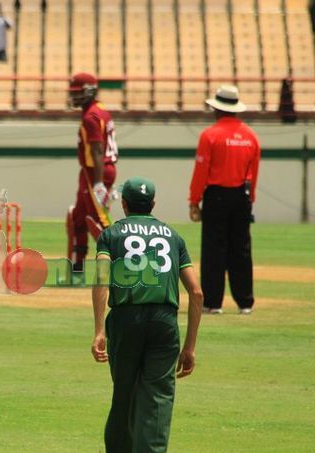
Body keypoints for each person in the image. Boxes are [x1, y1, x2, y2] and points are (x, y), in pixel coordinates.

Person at [91, 177, 203, 453]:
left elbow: (101, 281)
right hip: (164, 323)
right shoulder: (174, 237)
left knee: (124, 393)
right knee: (158, 398)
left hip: (125, 320)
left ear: (124, 204)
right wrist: (189, 346)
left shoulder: (111, 235)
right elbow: (197, 293)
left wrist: (99, 331)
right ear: (153, 204)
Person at [188, 85, 261, 315]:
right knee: (241, 249)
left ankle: (213, 303)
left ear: (217, 109)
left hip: (216, 196)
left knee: (213, 249)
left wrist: (194, 200)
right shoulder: (251, 136)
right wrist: (251, 198)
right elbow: (254, 172)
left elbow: (201, 170)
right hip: (242, 196)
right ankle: (245, 302)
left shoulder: (210, 135)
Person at [66, 72, 119, 275]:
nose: (75, 97)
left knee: (100, 221)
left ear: (89, 91)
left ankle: (121, 267)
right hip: (95, 171)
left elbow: (97, 149)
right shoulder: (100, 109)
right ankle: (78, 266)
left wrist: (98, 183)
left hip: (95, 171)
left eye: (78, 93)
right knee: (78, 217)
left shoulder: (91, 116)